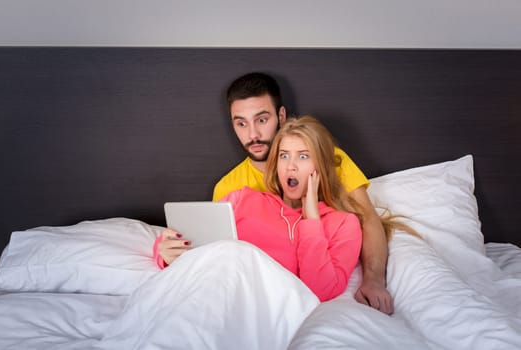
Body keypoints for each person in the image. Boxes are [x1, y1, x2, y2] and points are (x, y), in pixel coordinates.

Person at [212, 72, 396, 314]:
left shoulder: (331, 162)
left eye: (262, 120)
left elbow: (368, 219)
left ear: (281, 116)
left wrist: (373, 280)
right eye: (241, 123)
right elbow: (212, 255)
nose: (253, 134)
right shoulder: (233, 191)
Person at [154, 116, 363, 302]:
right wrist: (164, 253)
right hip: (213, 297)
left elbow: (319, 292)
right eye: (284, 155)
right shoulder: (242, 200)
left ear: (321, 167)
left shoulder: (344, 224)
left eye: (303, 156)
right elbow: (190, 236)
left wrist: (312, 222)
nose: (291, 166)